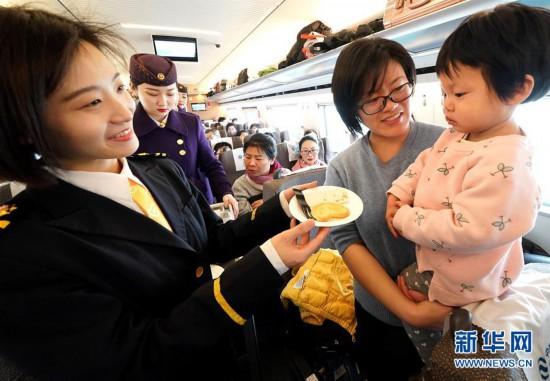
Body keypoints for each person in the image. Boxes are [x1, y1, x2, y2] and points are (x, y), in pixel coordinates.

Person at [0, 6, 329, 380]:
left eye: (118, 87)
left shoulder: (160, 170)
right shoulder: (23, 252)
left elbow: (212, 242)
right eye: (92, 101)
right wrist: (267, 262)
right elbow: (138, 359)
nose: (125, 110)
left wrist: (280, 205)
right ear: (25, 128)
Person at [386, 3, 550, 363]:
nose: (447, 105)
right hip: (442, 264)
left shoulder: (506, 164)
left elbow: (463, 228)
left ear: (518, 90)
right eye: (444, 93)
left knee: (448, 345)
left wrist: (404, 218)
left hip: (468, 282)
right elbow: (427, 160)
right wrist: (400, 190)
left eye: (458, 94)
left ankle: (440, 364)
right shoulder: (461, 134)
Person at [325, 37, 449, 380]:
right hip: (382, 314)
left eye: (398, 89)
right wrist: (408, 310)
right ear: (352, 107)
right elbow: (347, 241)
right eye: (373, 100)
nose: (391, 105)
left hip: (453, 307)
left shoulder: (451, 143)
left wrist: (444, 306)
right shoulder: (343, 167)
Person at [129, 54, 239, 213]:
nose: (163, 102)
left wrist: (225, 192)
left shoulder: (191, 123)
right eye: (152, 93)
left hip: (198, 202)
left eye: (170, 93)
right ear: (133, 89)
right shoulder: (128, 130)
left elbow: (211, 164)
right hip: (159, 210)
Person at [232, 134, 285, 216]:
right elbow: (246, 220)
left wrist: (268, 204)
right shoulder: (240, 186)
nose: (251, 163)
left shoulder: (285, 176)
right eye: (248, 157)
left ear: (272, 160)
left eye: (258, 158)